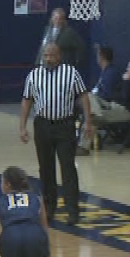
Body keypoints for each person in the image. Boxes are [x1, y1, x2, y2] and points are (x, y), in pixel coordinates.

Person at [20, 43, 91, 225]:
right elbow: (27, 100)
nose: (48, 59)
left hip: (65, 125)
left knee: (68, 168)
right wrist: (22, 126)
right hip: (42, 124)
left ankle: (72, 210)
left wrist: (88, 122)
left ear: (59, 56)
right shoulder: (34, 75)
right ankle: (49, 207)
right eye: (45, 55)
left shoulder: (71, 73)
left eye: (51, 55)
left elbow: (83, 96)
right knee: (46, 168)